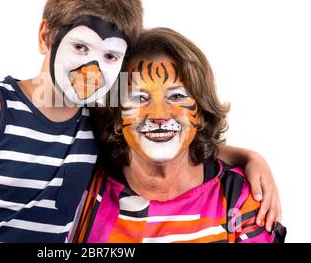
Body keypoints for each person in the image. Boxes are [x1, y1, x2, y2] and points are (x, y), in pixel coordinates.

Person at [0, 0, 281, 243]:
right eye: (79, 47)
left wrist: (249, 158)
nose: (92, 68)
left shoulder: (95, 118)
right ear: (46, 37)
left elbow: (170, 130)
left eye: (111, 56)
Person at [71, 27, 286, 243]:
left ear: (201, 112)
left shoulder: (238, 197)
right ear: (116, 116)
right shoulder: (84, 189)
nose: (159, 115)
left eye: (176, 96)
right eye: (139, 98)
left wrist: (251, 158)